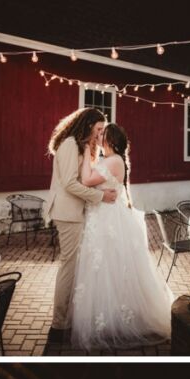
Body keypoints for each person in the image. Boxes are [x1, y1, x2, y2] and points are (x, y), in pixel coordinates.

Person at [72, 123, 173, 351]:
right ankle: (108, 315)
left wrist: (88, 153)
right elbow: (93, 183)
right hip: (101, 216)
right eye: (99, 135)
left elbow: (86, 181)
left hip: (110, 219)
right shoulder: (107, 160)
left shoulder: (114, 160)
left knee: (113, 265)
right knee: (102, 266)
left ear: (112, 140)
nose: (99, 139)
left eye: (102, 136)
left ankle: (119, 318)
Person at [44, 108, 122, 346]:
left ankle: (70, 318)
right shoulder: (69, 144)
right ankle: (58, 326)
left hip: (78, 211)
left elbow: (84, 180)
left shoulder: (83, 147)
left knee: (77, 265)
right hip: (68, 212)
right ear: (87, 125)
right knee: (68, 265)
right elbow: (68, 183)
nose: (100, 136)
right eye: (98, 130)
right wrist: (100, 198)